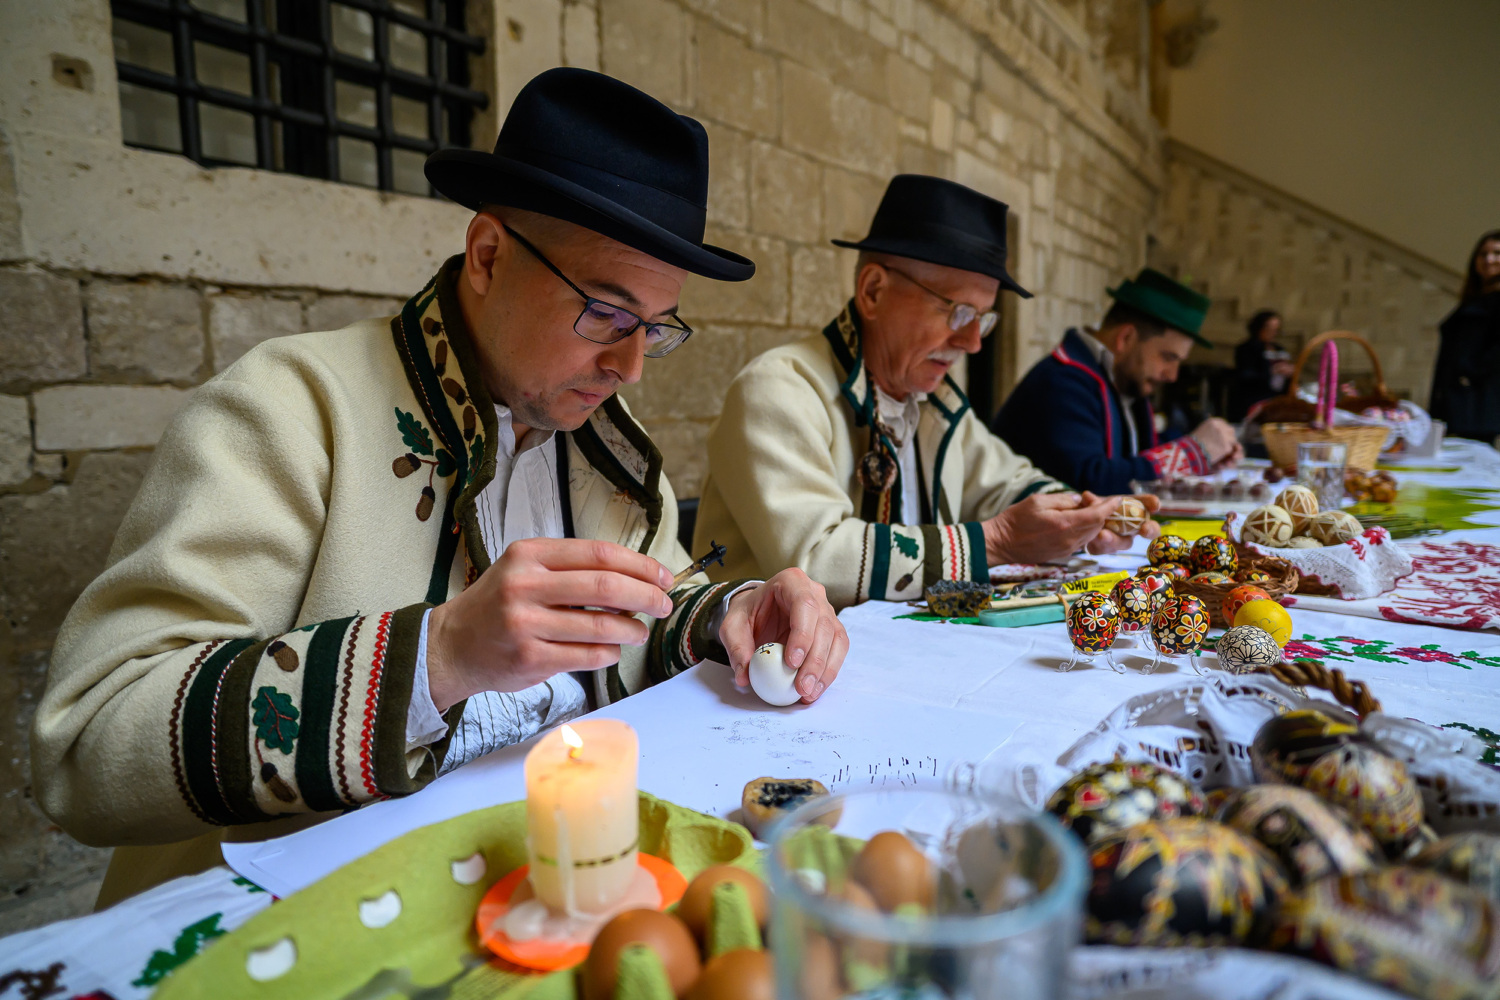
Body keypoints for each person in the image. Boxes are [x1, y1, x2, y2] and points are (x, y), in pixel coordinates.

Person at [31, 69, 847, 905]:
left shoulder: (602, 449)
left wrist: (727, 613)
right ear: (489, 255)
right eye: (605, 314)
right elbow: (88, 745)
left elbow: (648, 610)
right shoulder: (289, 409)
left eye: (654, 328)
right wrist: (441, 655)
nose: (629, 364)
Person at [691, 175, 1158, 609]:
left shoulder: (933, 401)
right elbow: (815, 558)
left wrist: (1083, 516)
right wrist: (994, 542)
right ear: (872, 291)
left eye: (984, 318)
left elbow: (1007, 481)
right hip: (768, 686)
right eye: (958, 312)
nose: (973, 342)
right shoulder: (779, 390)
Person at [992, 269, 1242, 495]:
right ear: (1126, 337)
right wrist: (1193, 452)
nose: (1172, 375)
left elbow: (1136, 452)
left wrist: (1206, 454)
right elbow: (1090, 482)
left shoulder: (1120, 381)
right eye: (1168, 357)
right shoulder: (1062, 381)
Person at [1429, 229, 1500, 444]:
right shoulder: (1474, 300)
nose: (1488, 259)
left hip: (1477, 404)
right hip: (1454, 401)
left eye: (1496, 253)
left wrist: (1468, 373)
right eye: (1483, 254)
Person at [1228, 309, 1294, 422]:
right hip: (1254, 398)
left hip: (1277, 398)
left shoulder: (1279, 349)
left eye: (1276, 329)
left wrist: (1290, 372)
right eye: (1269, 329)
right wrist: (1271, 371)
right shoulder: (1246, 348)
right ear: (1259, 328)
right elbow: (1245, 375)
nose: (1273, 333)